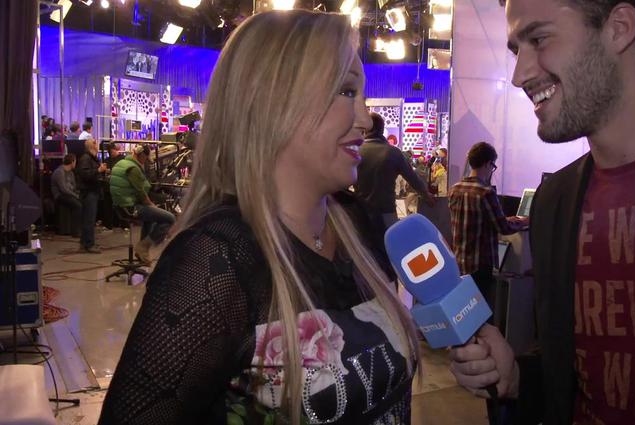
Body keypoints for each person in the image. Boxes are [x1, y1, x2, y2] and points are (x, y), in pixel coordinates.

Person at [99, 11, 420, 425]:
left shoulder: (360, 226)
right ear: (275, 102)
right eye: (346, 91)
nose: (365, 118)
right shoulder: (217, 258)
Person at [449, 1, 635, 424]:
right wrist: (516, 377)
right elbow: (570, 368)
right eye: (516, 49)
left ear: (618, 28)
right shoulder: (554, 202)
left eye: (539, 39)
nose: (519, 75)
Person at [448, 142, 525, 306]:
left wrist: (505, 219)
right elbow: (503, 228)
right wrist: (524, 221)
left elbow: (472, 219)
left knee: (466, 310)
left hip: (459, 263)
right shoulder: (486, 192)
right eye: (493, 166)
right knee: (482, 312)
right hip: (480, 266)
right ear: (487, 164)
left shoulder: (455, 189)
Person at [355, 112, 435, 229]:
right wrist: (426, 195)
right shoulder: (393, 152)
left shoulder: (356, 151)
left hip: (361, 213)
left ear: (365, 129)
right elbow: (412, 178)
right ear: (382, 129)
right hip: (386, 213)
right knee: (389, 240)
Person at [108, 144, 175, 263]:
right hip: (130, 208)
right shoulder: (133, 169)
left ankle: (142, 252)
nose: (146, 162)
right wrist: (152, 205)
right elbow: (141, 194)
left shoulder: (122, 163)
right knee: (169, 218)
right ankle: (143, 247)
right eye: (146, 159)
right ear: (142, 155)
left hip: (120, 206)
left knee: (150, 218)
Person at [76, 139, 106, 253]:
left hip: (93, 191)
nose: (98, 146)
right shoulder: (86, 158)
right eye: (96, 144)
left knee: (88, 219)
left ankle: (85, 243)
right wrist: (98, 170)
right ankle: (89, 244)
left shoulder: (92, 158)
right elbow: (85, 174)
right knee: (89, 219)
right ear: (92, 146)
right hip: (89, 192)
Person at [51, 154, 81, 236]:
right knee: (78, 205)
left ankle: (81, 227)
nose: (75, 164)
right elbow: (63, 189)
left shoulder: (71, 173)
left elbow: (74, 187)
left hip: (68, 194)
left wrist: (78, 194)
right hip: (60, 195)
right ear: (72, 162)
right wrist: (76, 196)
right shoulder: (59, 172)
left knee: (83, 200)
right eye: (75, 162)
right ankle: (75, 231)